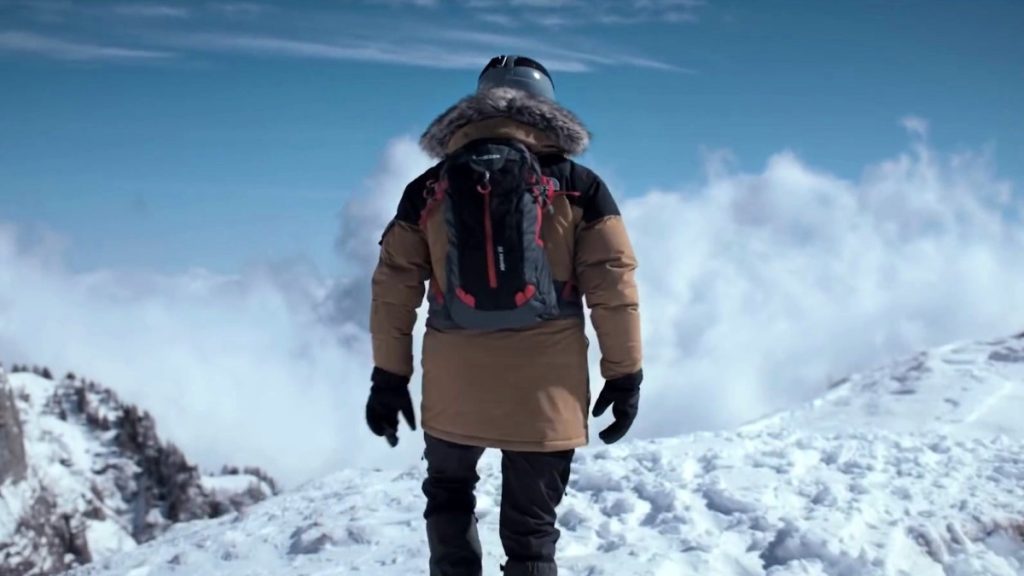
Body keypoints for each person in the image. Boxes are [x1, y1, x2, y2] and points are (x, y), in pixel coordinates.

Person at [365, 54, 643, 576]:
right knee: (532, 537)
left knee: (449, 497)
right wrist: (624, 374)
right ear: (547, 108)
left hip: (454, 383)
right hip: (547, 391)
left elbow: (393, 288)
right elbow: (614, 284)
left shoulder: (428, 189)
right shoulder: (580, 186)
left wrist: (389, 376)